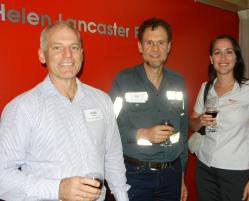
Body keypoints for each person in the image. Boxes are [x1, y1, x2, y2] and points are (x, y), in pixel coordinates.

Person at [0, 21, 129, 201]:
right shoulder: (22, 108)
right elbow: (2, 179)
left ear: (82, 54)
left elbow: (113, 158)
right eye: (57, 48)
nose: (68, 55)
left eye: (74, 47)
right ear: (42, 55)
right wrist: (57, 189)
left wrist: (122, 197)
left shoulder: (102, 101)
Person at [109, 18, 188, 201]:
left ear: (168, 47)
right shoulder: (123, 80)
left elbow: (183, 131)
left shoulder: (178, 82)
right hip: (136, 176)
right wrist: (143, 134)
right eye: (149, 43)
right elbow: (109, 127)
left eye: (161, 43)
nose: (155, 49)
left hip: (172, 175)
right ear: (140, 46)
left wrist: (181, 175)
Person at [189, 34, 249, 201]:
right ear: (211, 58)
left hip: (236, 171)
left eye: (229, 52)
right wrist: (200, 120)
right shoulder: (205, 88)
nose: (223, 58)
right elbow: (192, 123)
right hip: (205, 167)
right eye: (217, 52)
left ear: (236, 57)